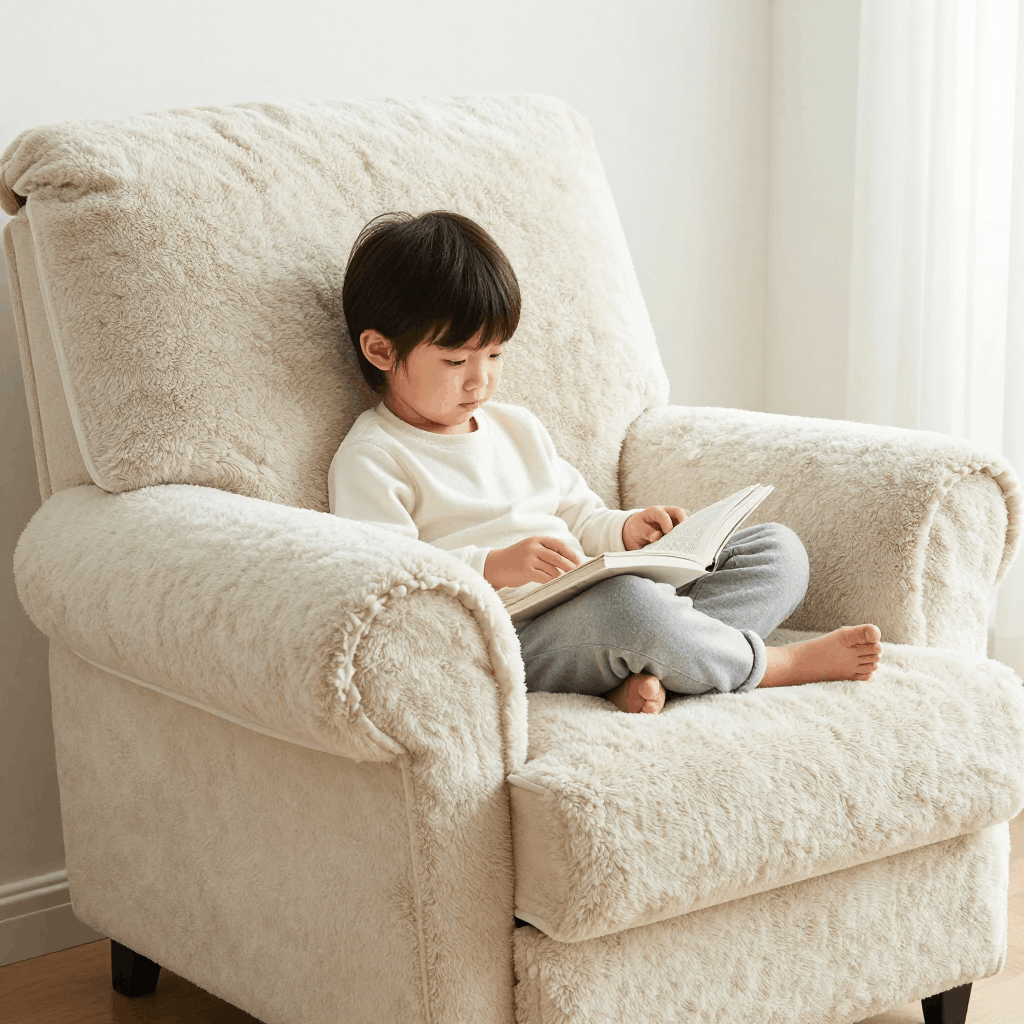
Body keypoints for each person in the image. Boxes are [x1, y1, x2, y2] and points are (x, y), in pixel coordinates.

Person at [329, 210, 882, 715]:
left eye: (494, 354)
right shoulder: (374, 457)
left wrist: (627, 530)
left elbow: (578, 514)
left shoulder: (516, 426)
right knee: (630, 608)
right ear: (381, 351)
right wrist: (495, 564)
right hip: (510, 636)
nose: (482, 380)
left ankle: (656, 665)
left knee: (776, 550)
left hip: (597, 598)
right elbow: (392, 586)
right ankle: (769, 666)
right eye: (456, 360)